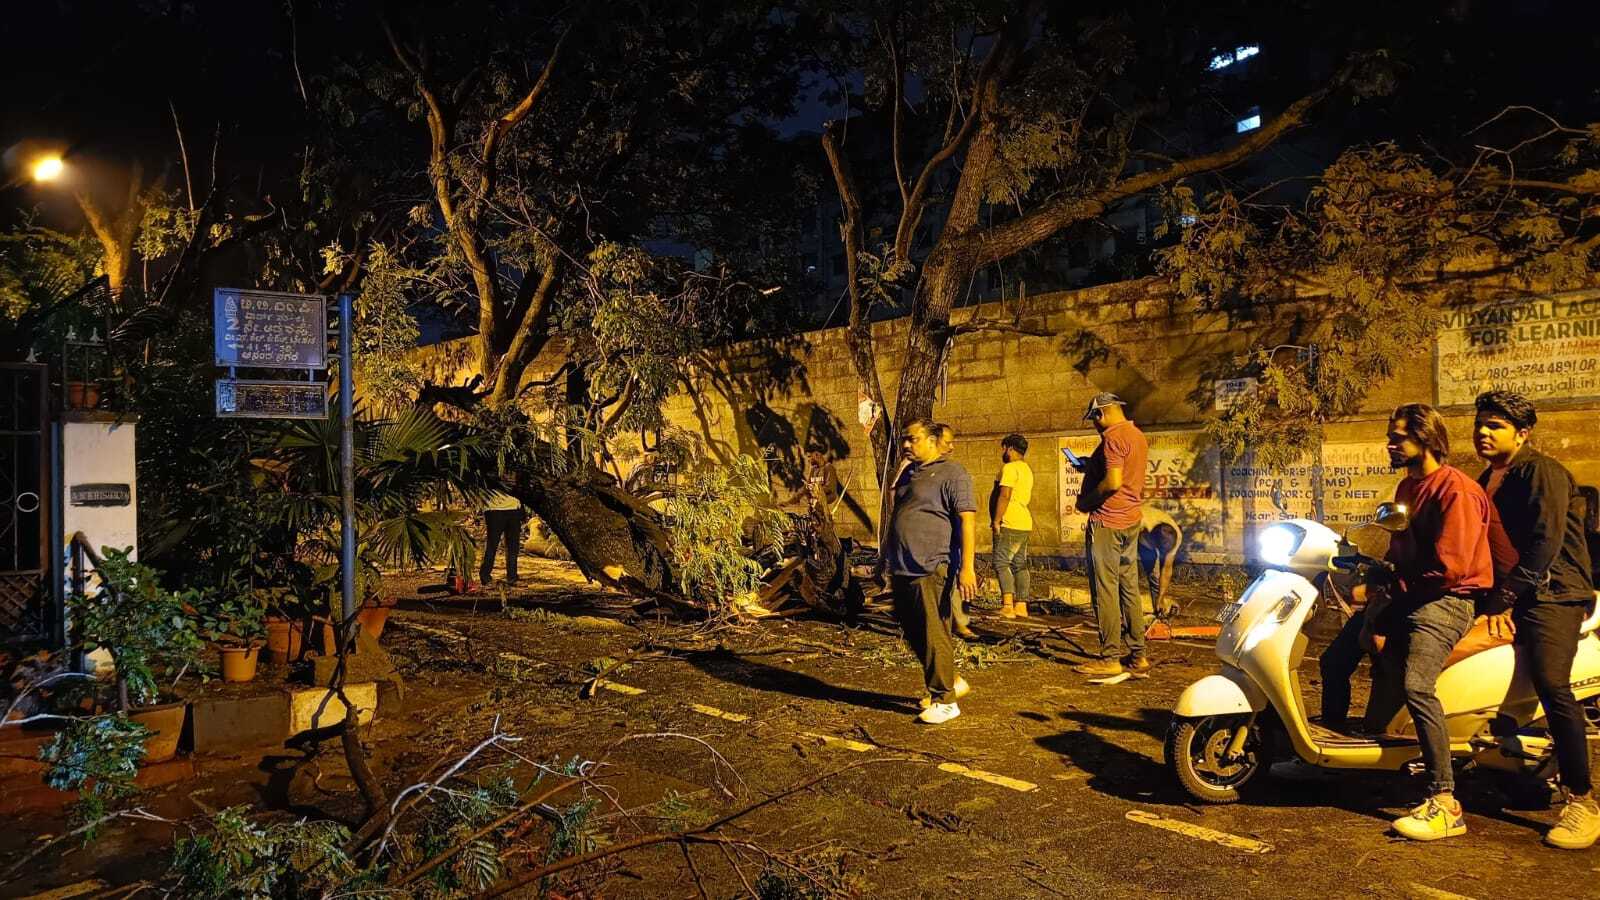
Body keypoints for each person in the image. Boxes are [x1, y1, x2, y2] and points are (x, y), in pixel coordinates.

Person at [1471, 390, 1599, 849]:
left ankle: (1582, 801)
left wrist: (1504, 599)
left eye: (1496, 426)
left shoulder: (1540, 471)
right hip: (1515, 590)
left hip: (1555, 593)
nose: (1483, 432)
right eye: (1480, 424)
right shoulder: (1490, 477)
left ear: (1522, 433)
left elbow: (1544, 546)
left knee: (1550, 682)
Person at [1369, 403, 1493, 842]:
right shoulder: (1408, 485)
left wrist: (1401, 585)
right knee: (1350, 648)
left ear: (1426, 439)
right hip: (1415, 593)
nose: (1390, 442)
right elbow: (1402, 545)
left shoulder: (1454, 490)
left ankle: (1445, 801)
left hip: (1447, 601)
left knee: (1418, 685)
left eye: (1399, 435)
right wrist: (1379, 570)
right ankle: (1371, 750)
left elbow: (1452, 567)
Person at [881, 418, 978, 724]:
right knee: (911, 629)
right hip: (901, 566)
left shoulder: (953, 473)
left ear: (934, 439)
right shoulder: (910, 473)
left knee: (934, 631)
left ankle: (945, 701)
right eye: (904, 440)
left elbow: (967, 520)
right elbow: (897, 516)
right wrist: (882, 559)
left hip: (931, 565)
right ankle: (950, 679)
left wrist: (967, 568)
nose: (907, 445)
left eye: (913, 439)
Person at [1071, 393, 1150, 677]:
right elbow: (1122, 470)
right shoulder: (1136, 435)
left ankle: (1109, 657)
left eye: (1093, 419)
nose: (1095, 425)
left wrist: (1086, 502)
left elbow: (1113, 482)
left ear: (1099, 415)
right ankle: (1138, 654)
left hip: (1108, 521)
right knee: (1128, 587)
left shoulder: (1112, 438)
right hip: (1131, 520)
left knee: (1105, 590)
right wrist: (1089, 466)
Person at [991, 433, 1034, 619]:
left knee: (1001, 562)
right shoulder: (1027, 469)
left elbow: (1005, 495)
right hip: (1024, 522)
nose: (1002, 451)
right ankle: (1021, 606)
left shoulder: (1010, 468)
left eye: (1004, 447)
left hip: (1010, 521)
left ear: (1010, 448)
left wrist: (996, 520)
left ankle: (1008, 605)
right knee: (1019, 564)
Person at [1139, 506, 1182, 619]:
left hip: (1147, 537)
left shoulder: (1176, 537)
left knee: (1155, 576)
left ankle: (1158, 611)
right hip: (1132, 532)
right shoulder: (1141, 522)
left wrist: (1161, 597)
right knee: (1126, 574)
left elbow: (1167, 569)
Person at [480, 489, 525, 585]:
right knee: (492, 544)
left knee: (513, 546)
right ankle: (485, 576)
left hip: (513, 508)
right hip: (494, 509)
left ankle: (512, 577)